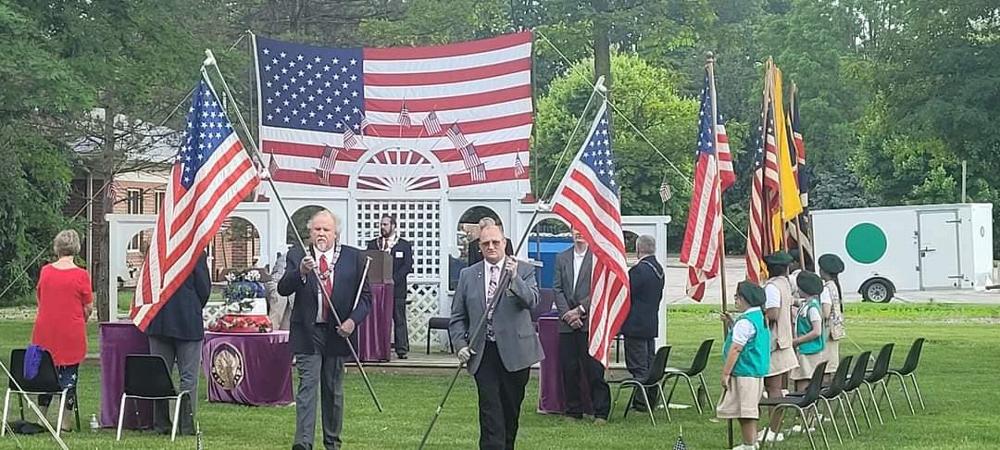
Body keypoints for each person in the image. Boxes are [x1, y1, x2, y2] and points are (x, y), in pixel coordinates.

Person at [278, 209, 372, 450]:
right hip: (308, 332)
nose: (321, 233)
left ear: (335, 233)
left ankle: (332, 442)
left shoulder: (354, 257)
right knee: (307, 387)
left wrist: (352, 321)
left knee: (332, 389)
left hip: (337, 333)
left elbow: (365, 299)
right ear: (309, 232)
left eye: (326, 230)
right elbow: (283, 289)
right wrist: (300, 272)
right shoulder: (298, 254)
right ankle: (303, 443)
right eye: (317, 229)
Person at [449, 225, 542, 450]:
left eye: (495, 242)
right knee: (490, 413)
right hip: (483, 352)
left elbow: (532, 302)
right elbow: (458, 316)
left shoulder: (524, 270)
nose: (491, 247)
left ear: (504, 243)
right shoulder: (468, 275)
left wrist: (514, 278)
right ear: (480, 247)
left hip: (516, 353)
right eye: (485, 243)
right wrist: (460, 343)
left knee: (510, 413)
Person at [31, 230, 93, 431]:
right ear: (76, 248)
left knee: (46, 372)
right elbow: (88, 306)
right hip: (71, 331)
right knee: (69, 375)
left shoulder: (46, 271)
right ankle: (64, 421)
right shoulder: (81, 275)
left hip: (45, 329)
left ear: (57, 248)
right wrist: (82, 318)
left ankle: (42, 417)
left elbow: (40, 297)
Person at [144, 250, 211, 435]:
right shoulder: (196, 251)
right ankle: (186, 425)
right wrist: (192, 305)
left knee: (160, 376)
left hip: (159, 320)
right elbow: (204, 288)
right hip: (187, 320)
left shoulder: (157, 249)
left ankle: (161, 424)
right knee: (188, 378)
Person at [552, 229, 611, 423]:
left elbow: (599, 288)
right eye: (575, 228)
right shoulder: (562, 258)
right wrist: (568, 315)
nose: (579, 232)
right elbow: (557, 289)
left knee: (594, 369)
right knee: (569, 368)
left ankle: (600, 411)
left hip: (590, 323)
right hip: (567, 323)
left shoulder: (597, 258)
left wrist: (579, 310)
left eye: (582, 228)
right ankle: (573, 410)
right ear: (570, 231)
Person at [718, 281, 771, 450]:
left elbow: (736, 349)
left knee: (746, 412)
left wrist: (726, 373)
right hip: (755, 371)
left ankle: (749, 444)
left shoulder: (746, 322)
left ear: (744, 299)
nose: (735, 300)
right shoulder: (759, 317)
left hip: (745, 373)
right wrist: (732, 324)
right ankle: (751, 442)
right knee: (744, 409)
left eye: (737, 297)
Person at [621, 234, 665, 411]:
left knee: (638, 367)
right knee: (649, 365)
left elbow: (625, 293)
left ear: (638, 249)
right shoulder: (658, 269)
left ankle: (641, 403)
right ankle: (650, 399)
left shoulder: (639, 271)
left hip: (635, 325)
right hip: (649, 323)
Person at [760, 251, 798, 443]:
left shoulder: (772, 287)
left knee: (773, 389)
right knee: (779, 388)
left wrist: (758, 313)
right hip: (785, 340)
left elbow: (773, 313)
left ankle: (774, 430)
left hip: (776, 343)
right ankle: (775, 427)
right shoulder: (786, 284)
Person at [366, 214, 414, 360]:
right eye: (381, 224)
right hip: (377, 289)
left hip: (397, 289)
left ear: (393, 226)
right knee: (378, 318)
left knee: (398, 318)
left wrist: (393, 280)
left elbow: (407, 266)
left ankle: (401, 349)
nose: (382, 227)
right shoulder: (373, 244)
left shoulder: (403, 245)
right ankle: (379, 347)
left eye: (385, 224)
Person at [790, 272, 826, 391]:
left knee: (804, 381)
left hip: (809, 351)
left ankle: (805, 407)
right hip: (806, 350)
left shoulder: (812, 308)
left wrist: (797, 341)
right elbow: (797, 303)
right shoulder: (808, 304)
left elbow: (817, 331)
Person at [818, 254, 846, 377]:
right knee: (831, 364)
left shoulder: (825, 289)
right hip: (836, 329)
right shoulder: (835, 286)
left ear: (823, 271)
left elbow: (825, 312)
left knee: (825, 366)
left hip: (828, 330)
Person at [267, 250, 293, 331]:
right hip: (277, 282)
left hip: (291, 287)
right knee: (280, 300)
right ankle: (269, 337)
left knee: (288, 321)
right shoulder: (290, 255)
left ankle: (284, 340)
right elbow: (277, 276)